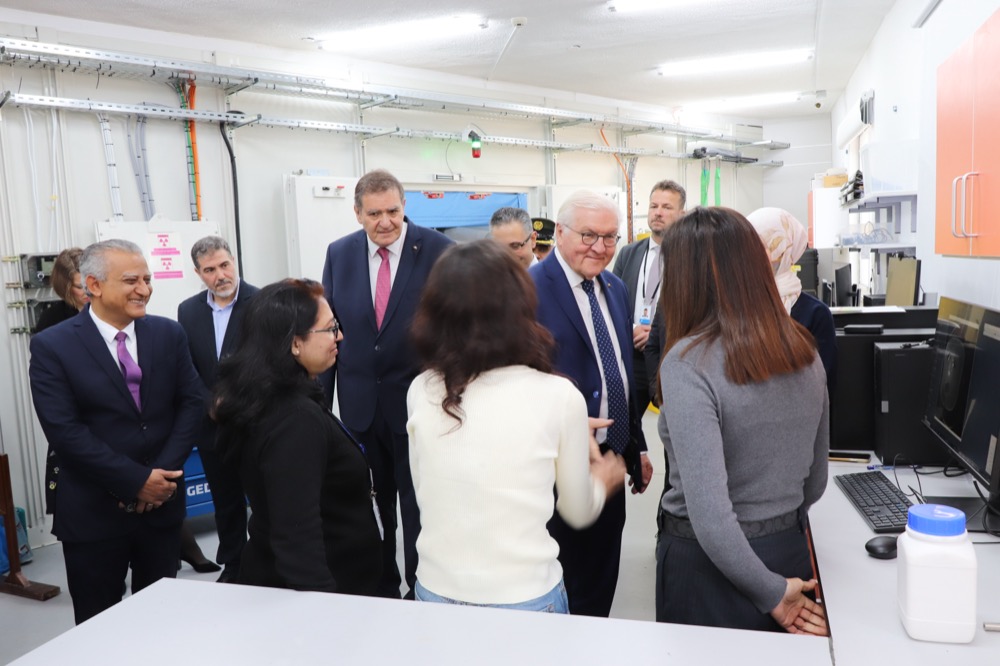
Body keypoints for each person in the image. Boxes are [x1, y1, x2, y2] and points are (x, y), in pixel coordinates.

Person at [407, 240, 625, 612]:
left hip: (434, 590)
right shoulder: (559, 396)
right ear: (520, 306)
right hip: (524, 597)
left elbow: (434, 482)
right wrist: (604, 480)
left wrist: (560, 425)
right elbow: (576, 509)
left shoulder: (422, 388)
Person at [654, 207, 829, 635]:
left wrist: (770, 593)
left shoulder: (688, 362)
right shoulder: (804, 349)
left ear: (684, 279)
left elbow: (712, 517)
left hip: (710, 571)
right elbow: (816, 481)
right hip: (787, 554)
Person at [28, 239, 203, 624]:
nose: (144, 289)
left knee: (159, 621)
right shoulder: (52, 346)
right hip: (93, 515)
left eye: (147, 279)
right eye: (130, 281)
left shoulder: (168, 334)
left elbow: (192, 403)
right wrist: (136, 480)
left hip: (161, 511)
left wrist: (160, 477)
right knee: (97, 625)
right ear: (93, 285)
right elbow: (64, 431)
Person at [320, 168, 453, 599]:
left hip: (419, 409)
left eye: (393, 211)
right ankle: (380, 587)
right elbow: (328, 330)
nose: (385, 222)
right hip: (359, 408)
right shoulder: (339, 254)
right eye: (374, 213)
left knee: (420, 508)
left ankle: (421, 587)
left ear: (404, 207)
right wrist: (319, 408)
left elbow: (451, 332)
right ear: (357, 213)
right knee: (370, 510)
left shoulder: (438, 251)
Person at [213, 279, 382, 594]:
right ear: (294, 344)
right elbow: (297, 535)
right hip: (329, 593)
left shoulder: (276, 397)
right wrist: (319, 613)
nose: (340, 336)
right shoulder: (295, 420)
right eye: (330, 329)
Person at [528, 190, 653, 617]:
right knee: (566, 579)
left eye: (610, 238)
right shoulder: (529, 290)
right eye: (588, 235)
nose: (600, 248)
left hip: (612, 458)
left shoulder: (615, 287)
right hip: (558, 462)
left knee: (602, 576)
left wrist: (637, 445)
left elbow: (619, 370)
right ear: (559, 233)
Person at [177, 236, 259, 582]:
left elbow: (266, 359)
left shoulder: (261, 301)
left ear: (234, 261)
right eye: (209, 270)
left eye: (224, 265)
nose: (220, 275)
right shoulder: (188, 311)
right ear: (198, 273)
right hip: (211, 425)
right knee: (225, 501)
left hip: (255, 421)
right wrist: (210, 402)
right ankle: (235, 564)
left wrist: (236, 399)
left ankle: (264, 562)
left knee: (263, 497)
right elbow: (187, 366)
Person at [612, 179, 686, 414]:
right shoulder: (628, 253)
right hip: (631, 356)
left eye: (666, 207)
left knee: (672, 432)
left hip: (670, 357)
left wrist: (656, 332)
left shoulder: (690, 259)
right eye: (654, 206)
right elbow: (613, 301)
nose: (658, 213)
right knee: (625, 426)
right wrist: (633, 327)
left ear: (681, 214)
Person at [746, 207, 837, 392]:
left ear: (786, 250)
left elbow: (823, 382)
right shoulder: (737, 305)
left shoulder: (815, 314)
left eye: (768, 246)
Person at [35, 247, 89, 516]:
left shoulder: (116, 312)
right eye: (81, 286)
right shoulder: (52, 322)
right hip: (78, 423)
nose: (89, 291)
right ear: (66, 288)